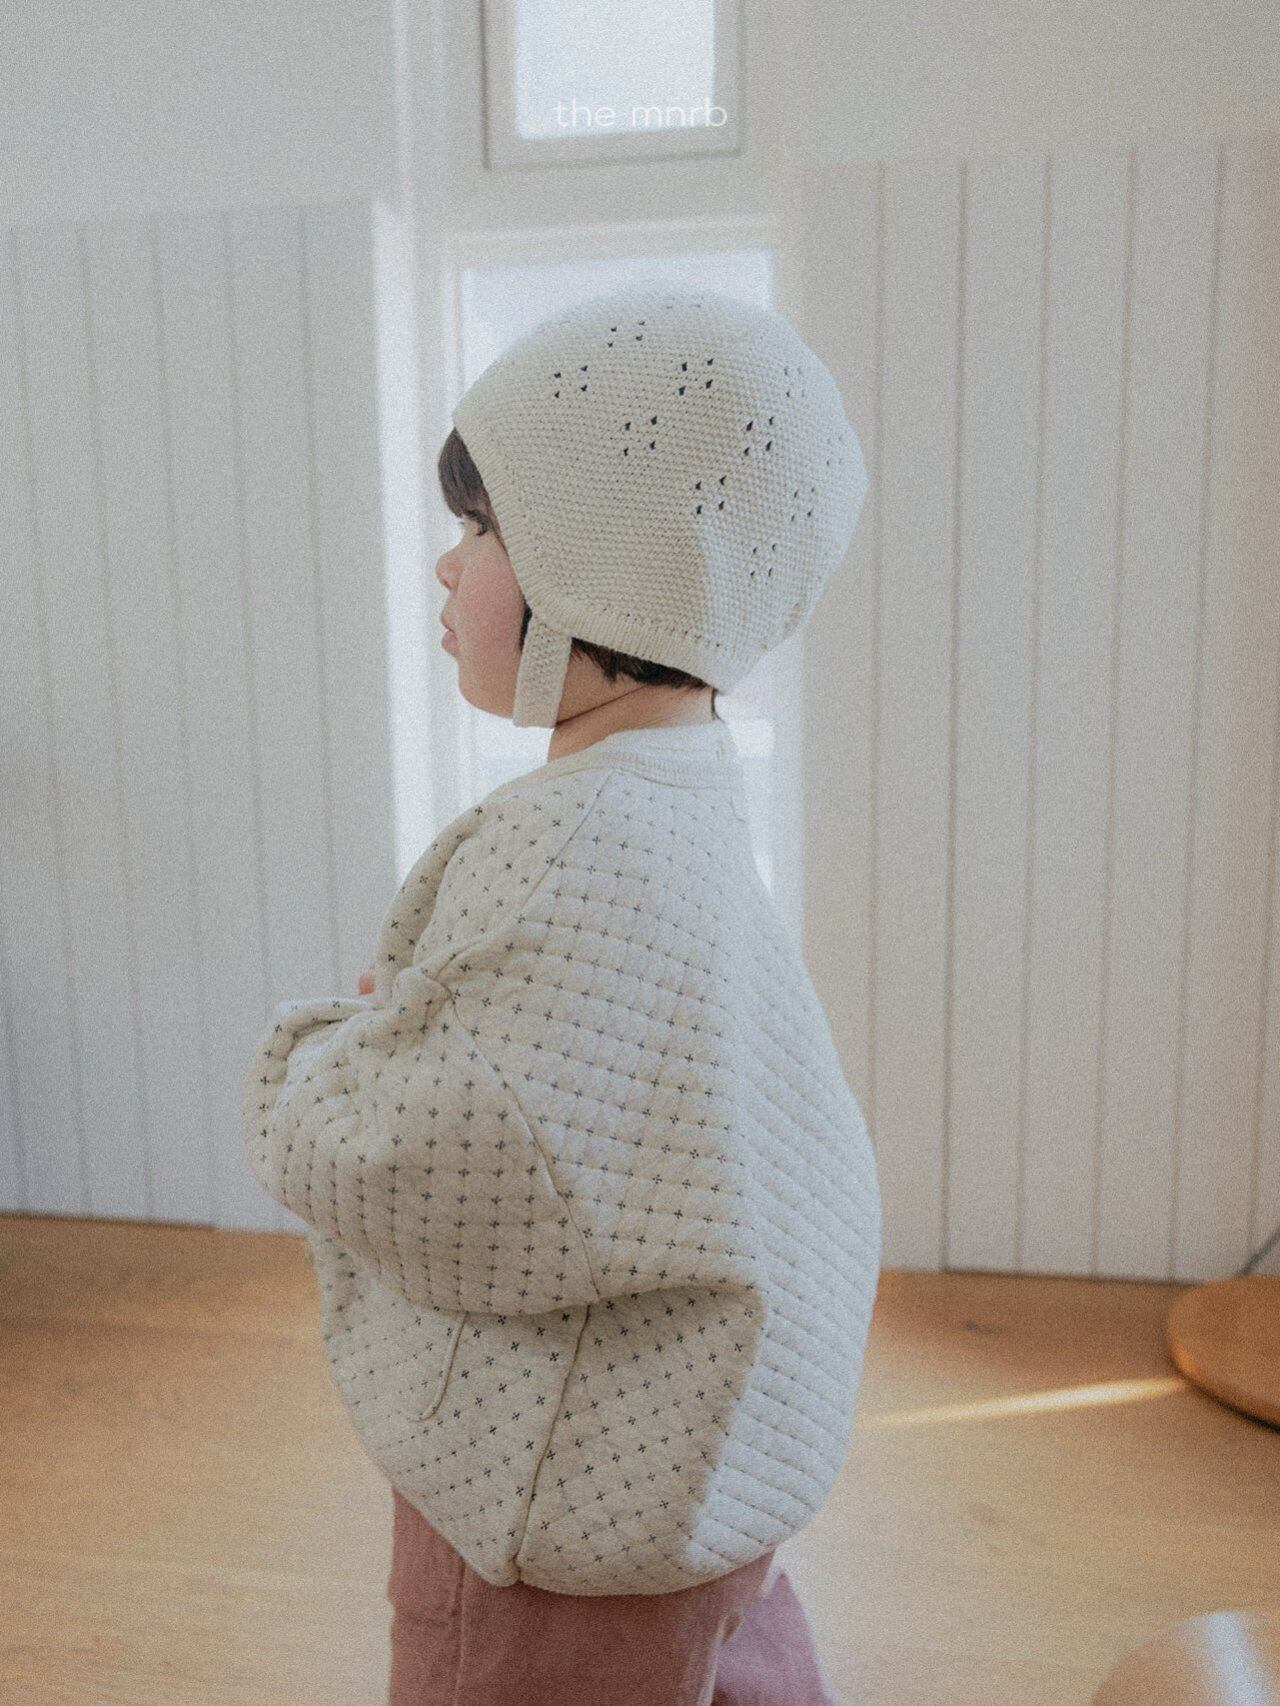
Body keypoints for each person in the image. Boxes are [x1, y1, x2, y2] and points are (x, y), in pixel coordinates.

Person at [242, 282, 881, 1704]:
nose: (446, 565)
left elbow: (427, 1162)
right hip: (712, 1475)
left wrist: (324, 1055)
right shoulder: (685, 787)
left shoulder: (567, 841)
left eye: (482, 529)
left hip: (562, 1513)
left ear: (605, 569)